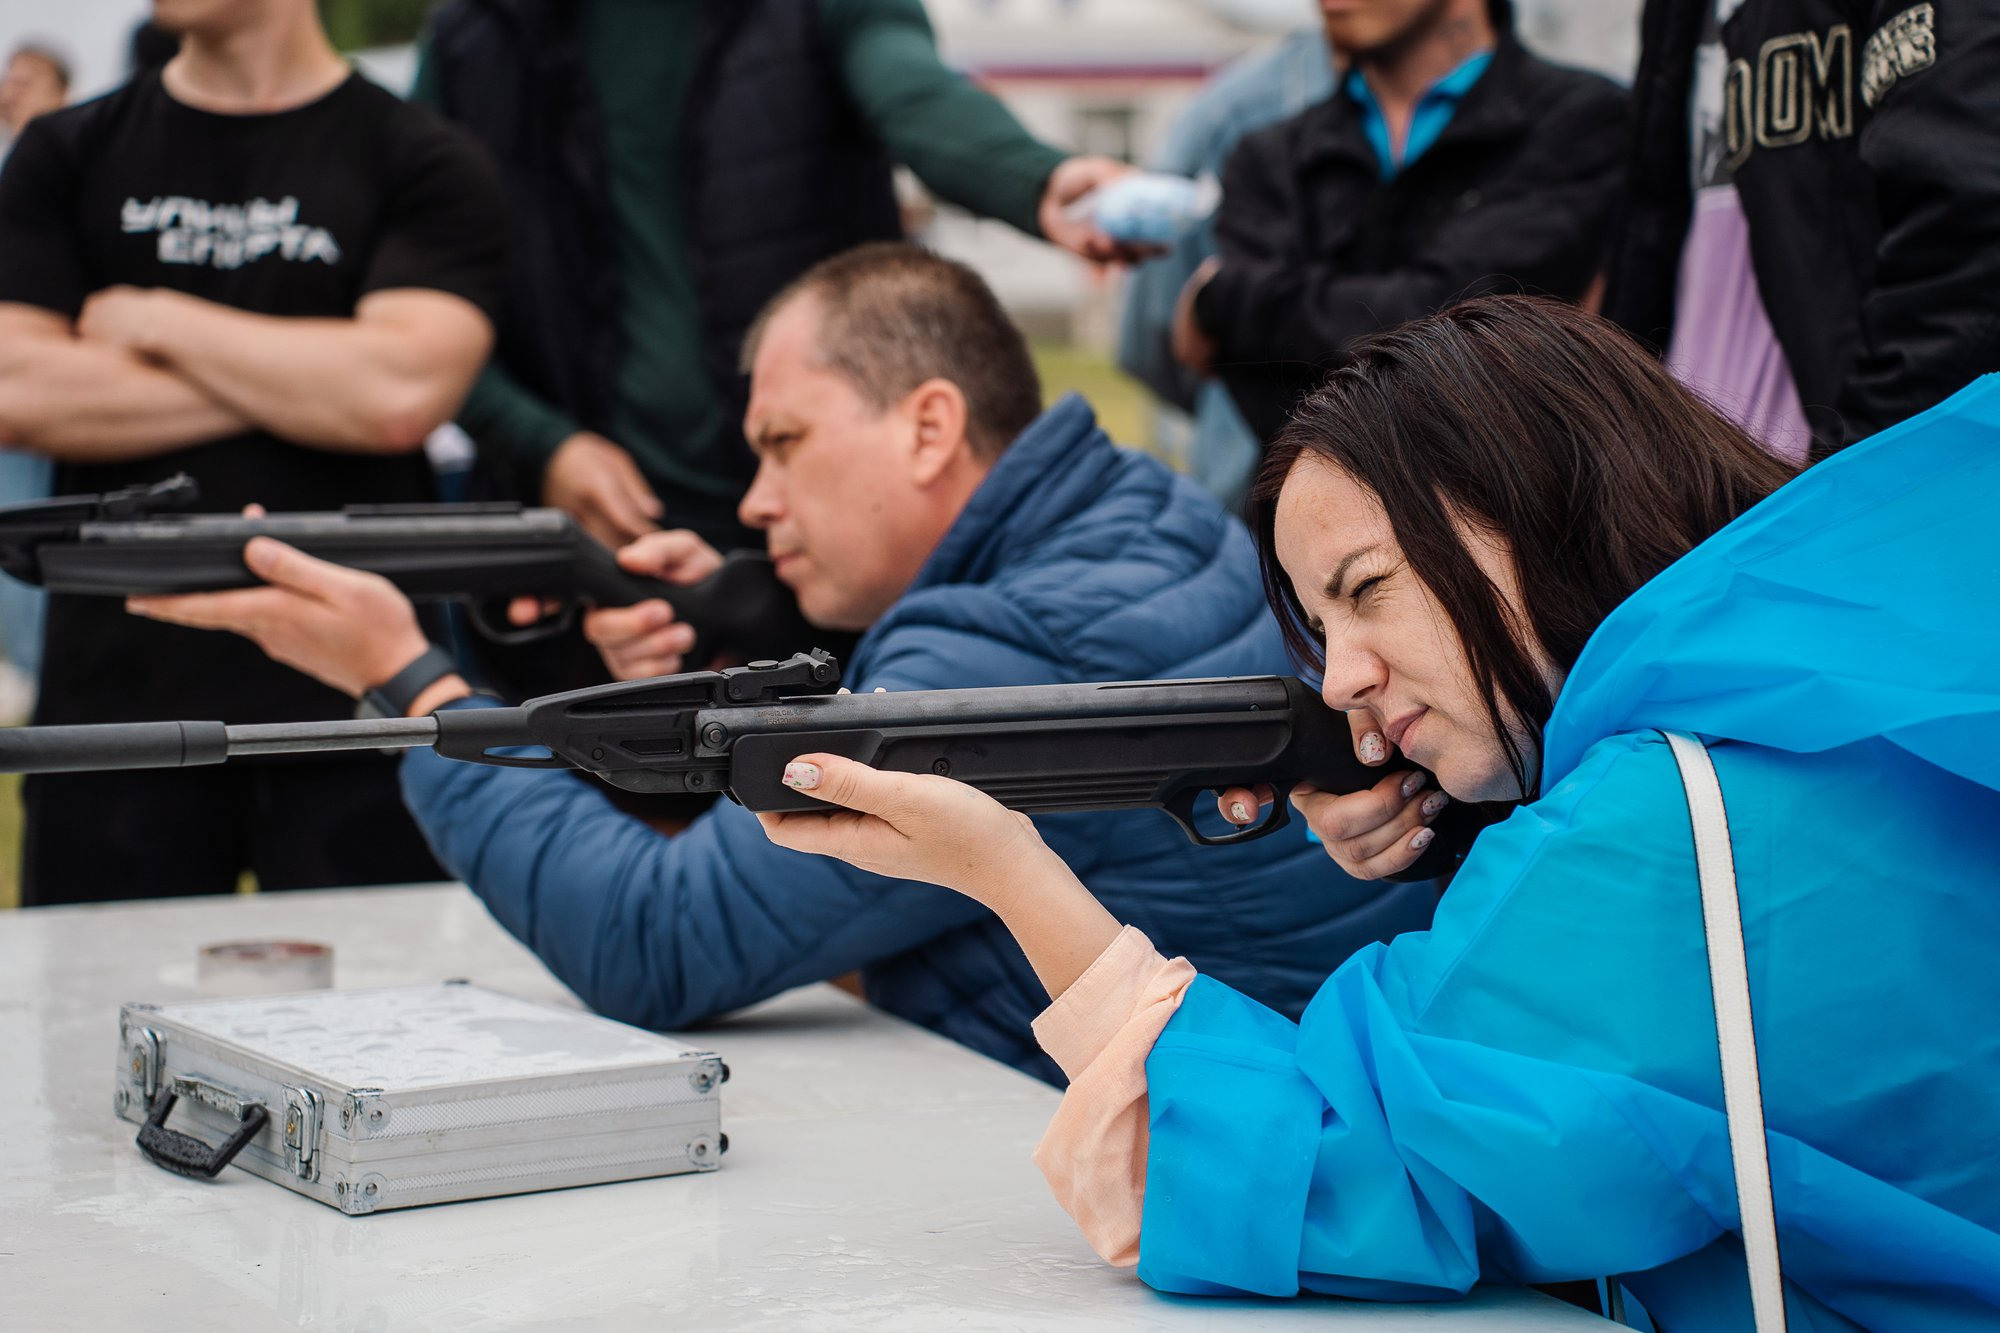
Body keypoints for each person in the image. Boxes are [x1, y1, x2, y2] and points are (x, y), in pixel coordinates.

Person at [756, 296, 2000, 1328]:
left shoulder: (1650, 834)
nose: (1340, 677)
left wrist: (1009, 874)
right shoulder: (1842, 640)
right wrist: (1475, 829)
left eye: (1367, 590)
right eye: (1319, 624)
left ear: (1528, 500)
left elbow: (1312, 1173)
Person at [127, 243, 1446, 1083]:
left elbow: (653, 942)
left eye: (785, 441)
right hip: (1285, 1088)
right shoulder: (1142, 516)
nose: (753, 499)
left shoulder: (994, 639)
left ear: (930, 425)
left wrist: (406, 681)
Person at [0, 0, 506, 903]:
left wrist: (158, 320)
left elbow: (397, 397)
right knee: (88, 1023)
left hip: (358, 707)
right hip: (116, 703)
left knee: (375, 1031)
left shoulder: (420, 156)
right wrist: (313, 375)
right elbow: (18, 390)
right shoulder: (66, 151)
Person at [412, 0, 1137, 554]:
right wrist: (542, 446)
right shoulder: (476, 32)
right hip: (590, 530)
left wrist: (1042, 182)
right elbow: (420, 305)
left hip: (810, 523)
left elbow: (915, 94)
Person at [1177, 0, 1629, 446]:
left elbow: (1468, 329)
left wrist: (1222, 298)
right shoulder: (1268, 157)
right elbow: (1264, 395)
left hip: (1512, 507)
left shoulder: (1579, 119)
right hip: (1309, 504)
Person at [1605, 0, 2000, 460]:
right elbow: (1655, 235)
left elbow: (1969, 234)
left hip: (1835, 478)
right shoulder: (1676, 18)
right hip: (1700, 482)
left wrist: (1854, 470)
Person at [1115, 26, 1336, 514]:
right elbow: (1159, 326)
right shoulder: (1237, 113)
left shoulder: (1226, 106)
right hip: (1256, 486)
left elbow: (1146, 330)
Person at [0, 41, 71, 722]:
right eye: (9, 79)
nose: (12, 89)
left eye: (30, 79)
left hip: (50, 394)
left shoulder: (71, 172)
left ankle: (43, 666)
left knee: (38, 532)